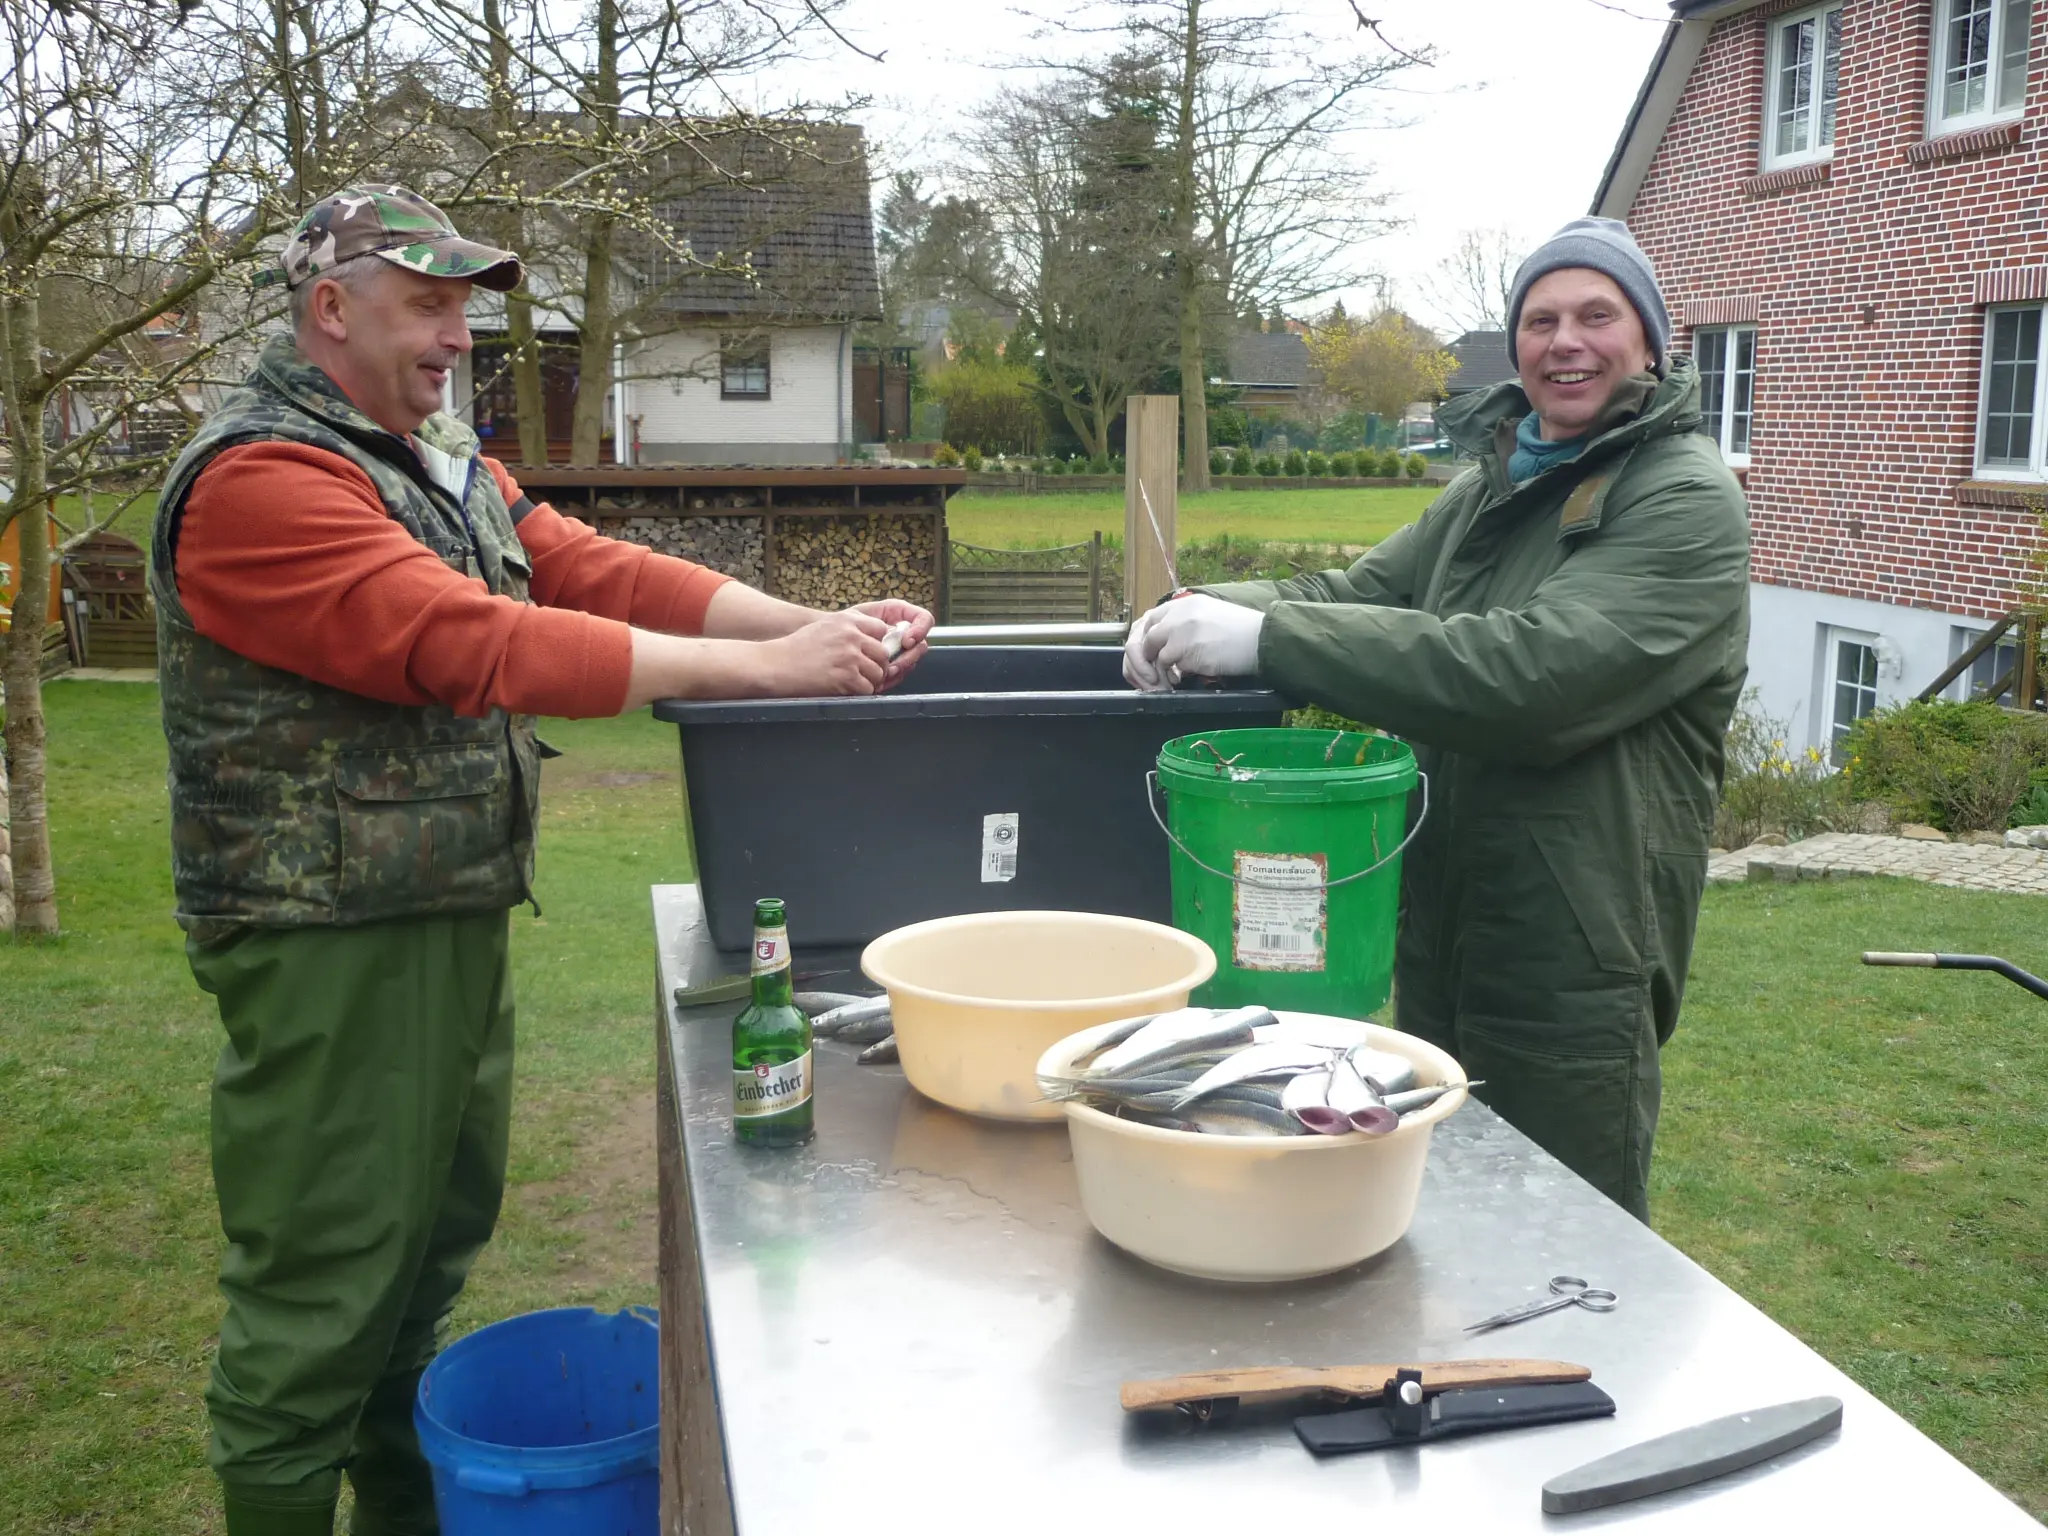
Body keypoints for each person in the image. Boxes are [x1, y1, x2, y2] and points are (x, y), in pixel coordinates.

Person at [148, 184, 933, 1536]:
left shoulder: (432, 455)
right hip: (325, 937)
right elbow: (472, 642)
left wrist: (812, 626)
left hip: (440, 912)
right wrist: (764, 671)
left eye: (464, 309)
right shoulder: (259, 480)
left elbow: (583, 570)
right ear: (330, 308)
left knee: (415, 1275)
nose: (459, 338)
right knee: (319, 1302)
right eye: (426, 306)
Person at [1125, 216, 1749, 1222]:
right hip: (1438, 935)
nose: (1565, 341)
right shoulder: (1490, 489)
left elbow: (1532, 679)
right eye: (1540, 320)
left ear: (1649, 342)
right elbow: (1349, 593)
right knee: (1427, 1222)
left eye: (1597, 315)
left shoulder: (1682, 498)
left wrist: (1268, 642)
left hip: (1572, 960)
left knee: (1557, 1240)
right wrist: (1197, 610)